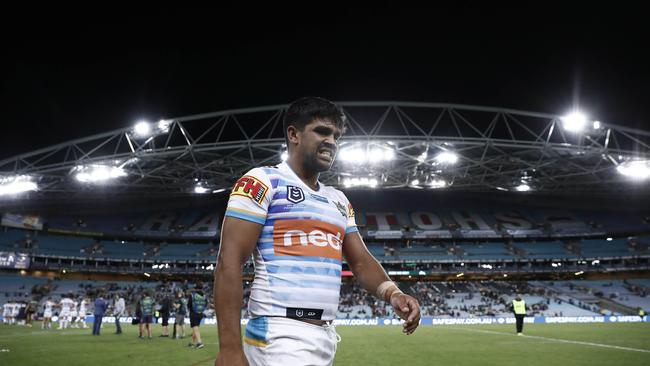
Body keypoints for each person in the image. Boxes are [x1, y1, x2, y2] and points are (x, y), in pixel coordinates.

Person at [214, 97, 421, 366]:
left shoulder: (338, 199)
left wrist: (393, 293)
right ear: (293, 134)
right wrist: (229, 349)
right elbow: (229, 261)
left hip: (324, 336)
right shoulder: (263, 181)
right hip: (279, 334)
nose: (332, 142)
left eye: (336, 136)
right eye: (322, 132)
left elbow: (360, 261)